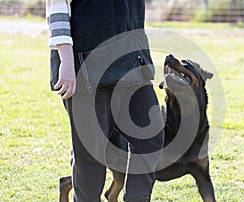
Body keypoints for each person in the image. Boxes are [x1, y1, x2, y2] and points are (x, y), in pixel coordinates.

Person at [46, 0, 164, 202]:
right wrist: (66, 62)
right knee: (91, 160)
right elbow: (57, 6)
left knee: (150, 138)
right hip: (86, 68)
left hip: (133, 63)